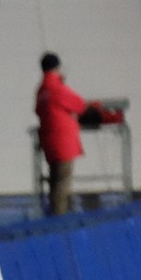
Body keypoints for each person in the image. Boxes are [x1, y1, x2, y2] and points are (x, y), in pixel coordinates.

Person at [36, 52, 97, 216]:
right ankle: (59, 219)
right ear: (56, 67)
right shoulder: (57, 88)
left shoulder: (41, 90)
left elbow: (39, 110)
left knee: (54, 183)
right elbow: (79, 104)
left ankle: (55, 215)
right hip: (63, 143)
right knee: (62, 185)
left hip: (49, 142)